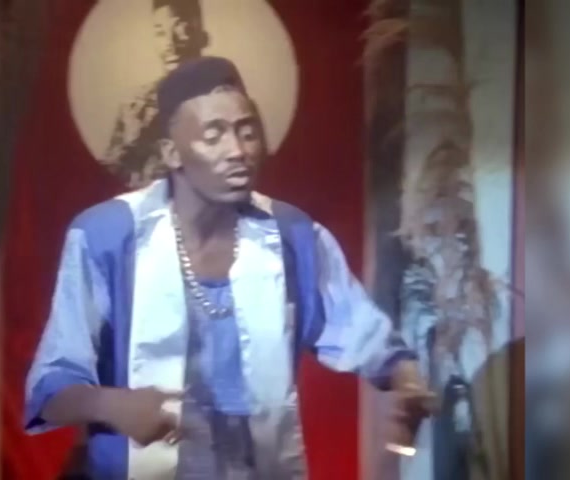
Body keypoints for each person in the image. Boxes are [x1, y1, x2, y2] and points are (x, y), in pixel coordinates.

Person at [26, 57, 434, 479]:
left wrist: (407, 383)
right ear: (171, 152)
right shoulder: (107, 235)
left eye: (247, 132)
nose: (237, 151)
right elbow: (51, 388)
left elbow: (367, 337)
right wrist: (113, 404)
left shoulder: (293, 235)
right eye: (213, 135)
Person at [102, 0, 209, 189]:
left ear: (201, 36)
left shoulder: (227, 103)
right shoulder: (134, 106)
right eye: (160, 33)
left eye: (180, 29)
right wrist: (131, 145)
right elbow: (107, 178)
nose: (169, 44)